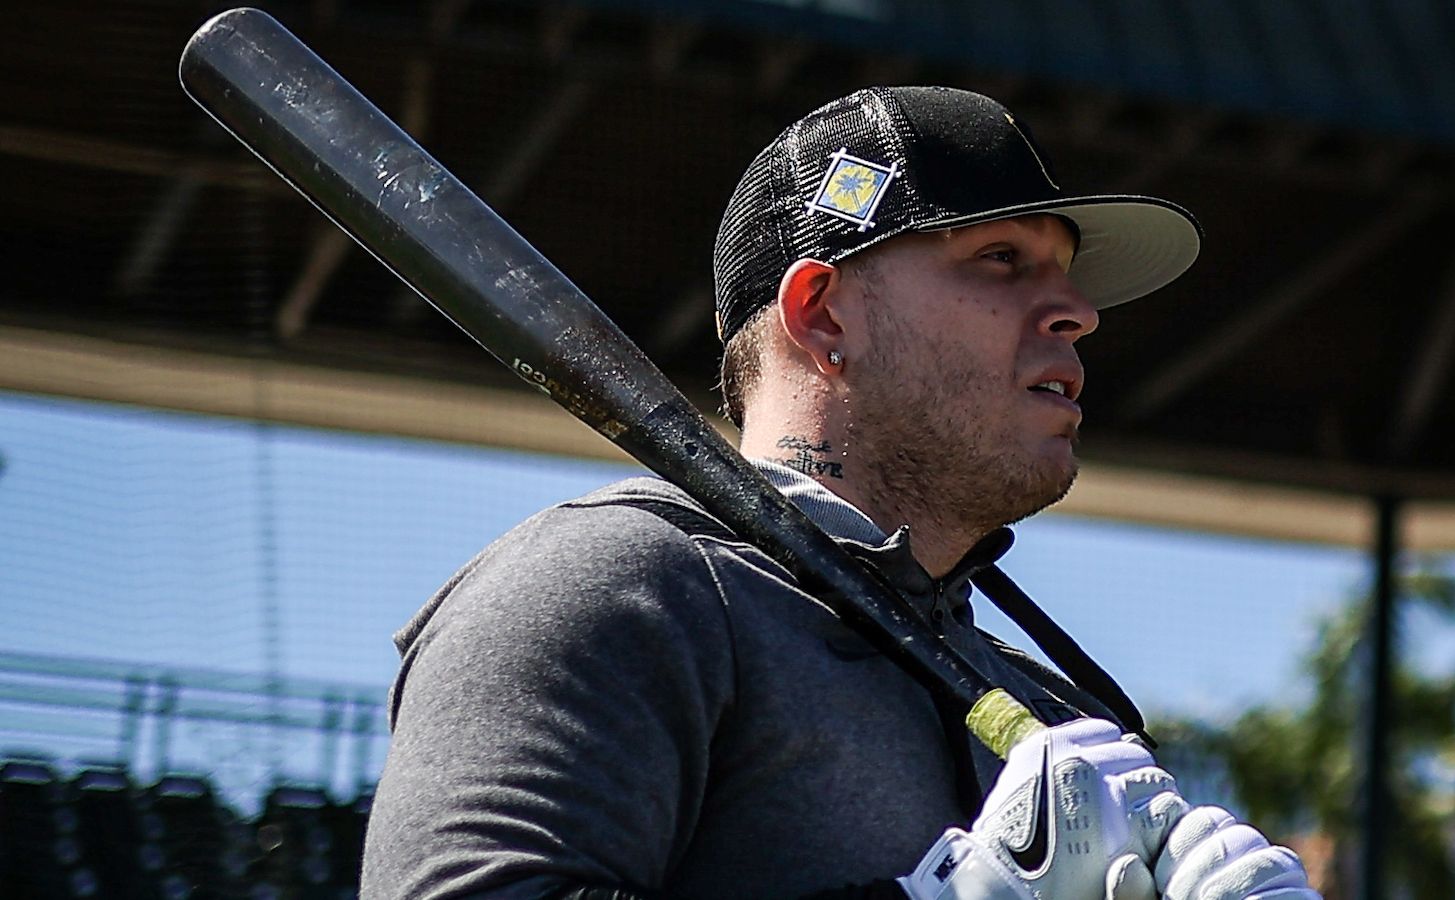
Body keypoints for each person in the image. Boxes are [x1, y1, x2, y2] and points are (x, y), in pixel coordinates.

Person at [361, 86, 1320, 900]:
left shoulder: (1050, 710)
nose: (1078, 312)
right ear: (822, 314)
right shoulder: (622, 586)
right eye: (1000, 260)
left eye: (1064, 272)